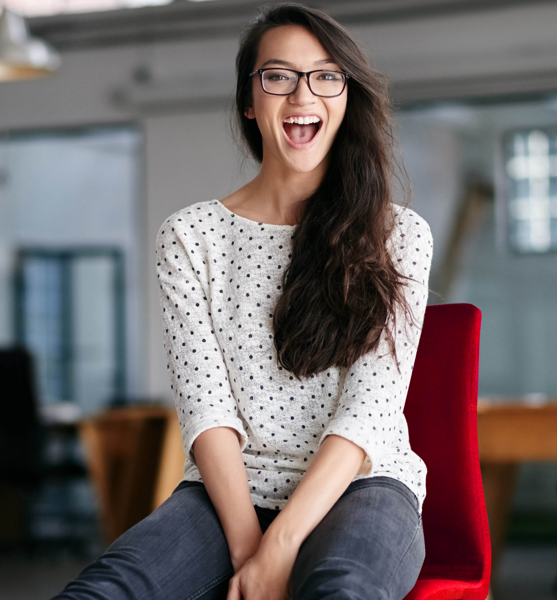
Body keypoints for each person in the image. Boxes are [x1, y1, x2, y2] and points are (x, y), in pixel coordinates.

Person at [52, 3, 432, 599]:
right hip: (225, 494)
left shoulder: (398, 234)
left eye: (326, 75)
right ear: (249, 101)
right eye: (278, 76)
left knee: (342, 590)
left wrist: (281, 546)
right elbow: (206, 409)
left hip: (362, 485)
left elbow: (368, 413)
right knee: (105, 590)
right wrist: (248, 549)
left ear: (346, 96)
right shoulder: (191, 236)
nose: (302, 93)